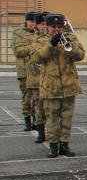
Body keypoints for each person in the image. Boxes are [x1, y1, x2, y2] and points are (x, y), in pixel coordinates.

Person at [33, 13, 86, 158]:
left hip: (69, 85)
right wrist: (51, 45)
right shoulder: (40, 40)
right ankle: (53, 146)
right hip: (50, 87)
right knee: (52, 119)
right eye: (53, 27)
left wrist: (69, 46)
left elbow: (81, 55)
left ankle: (65, 144)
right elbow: (36, 57)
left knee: (67, 118)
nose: (56, 29)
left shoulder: (70, 38)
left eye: (59, 27)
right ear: (47, 26)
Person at [26, 12, 50, 143]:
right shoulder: (31, 38)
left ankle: (54, 134)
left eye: (47, 24)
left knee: (52, 108)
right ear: (36, 25)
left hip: (52, 79)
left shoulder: (57, 37)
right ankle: (41, 133)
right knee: (39, 107)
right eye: (42, 24)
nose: (45, 26)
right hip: (36, 78)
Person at [12, 11, 36, 131]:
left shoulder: (40, 32)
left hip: (38, 71)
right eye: (32, 21)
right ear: (26, 21)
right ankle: (28, 121)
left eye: (35, 22)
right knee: (27, 97)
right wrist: (33, 47)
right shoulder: (18, 33)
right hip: (24, 70)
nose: (34, 24)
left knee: (38, 97)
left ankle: (38, 121)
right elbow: (17, 51)